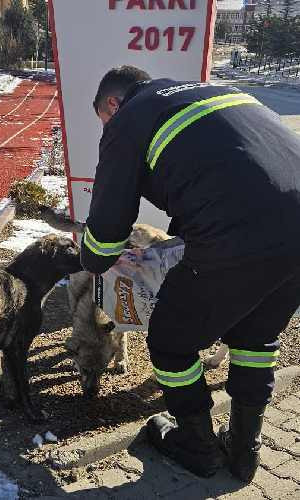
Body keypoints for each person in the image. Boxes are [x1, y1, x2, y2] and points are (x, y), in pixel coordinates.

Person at [80, 66, 300, 481]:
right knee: (256, 336)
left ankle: (198, 445)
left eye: (103, 124)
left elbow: (107, 227)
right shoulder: (215, 93)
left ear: (113, 104)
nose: (106, 133)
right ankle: (243, 449)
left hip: (238, 230)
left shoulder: (128, 119)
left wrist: (94, 260)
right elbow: (224, 176)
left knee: (170, 341)